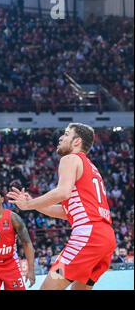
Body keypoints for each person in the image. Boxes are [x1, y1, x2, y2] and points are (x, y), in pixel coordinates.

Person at [7, 123, 116, 290]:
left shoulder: (70, 158)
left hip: (88, 237)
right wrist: (35, 204)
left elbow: (63, 192)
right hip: (105, 239)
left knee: (49, 287)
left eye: (66, 134)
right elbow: (68, 212)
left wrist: (28, 204)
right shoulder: (91, 167)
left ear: (77, 141)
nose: (60, 137)